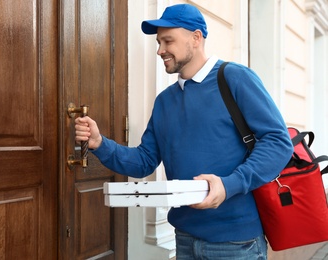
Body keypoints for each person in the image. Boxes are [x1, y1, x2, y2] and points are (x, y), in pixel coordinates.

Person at [75, 3, 293, 260]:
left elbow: (278, 142)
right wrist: (100, 143)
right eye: (159, 42)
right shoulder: (165, 101)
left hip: (235, 242)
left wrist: (227, 185)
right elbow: (144, 162)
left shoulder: (234, 78)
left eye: (168, 41)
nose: (160, 50)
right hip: (185, 237)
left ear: (196, 37)